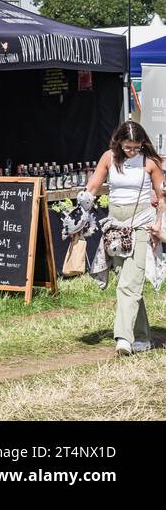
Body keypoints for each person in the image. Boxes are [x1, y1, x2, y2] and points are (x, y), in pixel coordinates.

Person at [85, 121, 164, 356]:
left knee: (129, 284)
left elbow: (162, 197)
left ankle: (123, 340)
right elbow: (94, 185)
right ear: (118, 142)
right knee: (127, 282)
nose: (132, 151)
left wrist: (159, 225)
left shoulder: (150, 162)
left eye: (136, 147)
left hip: (142, 224)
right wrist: (84, 202)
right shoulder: (109, 157)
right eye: (128, 147)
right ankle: (143, 337)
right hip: (116, 226)